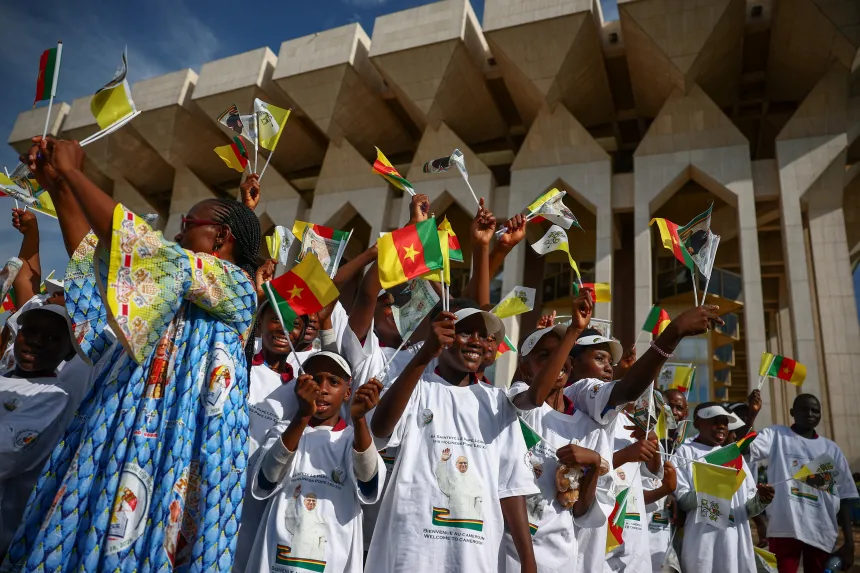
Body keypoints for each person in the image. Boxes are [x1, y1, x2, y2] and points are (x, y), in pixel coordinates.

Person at [4, 136, 261, 572]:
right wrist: (58, 187)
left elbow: (150, 254)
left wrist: (74, 174)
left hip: (176, 462)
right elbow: (96, 261)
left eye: (188, 222)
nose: (179, 232)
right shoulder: (161, 302)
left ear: (220, 237)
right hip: (118, 447)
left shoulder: (236, 288)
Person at [367, 299, 539, 573]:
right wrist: (424, 354)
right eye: (464, 331)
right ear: (440, 333)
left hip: (474, 554)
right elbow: (381, 428)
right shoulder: (417, 385)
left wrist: (528, 561)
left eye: (484, 336)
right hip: (413, 550)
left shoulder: (498, 403)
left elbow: (511, 487)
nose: (476, 342)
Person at [560, 306, 723, 572]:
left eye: (610, 363)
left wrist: (651, 447)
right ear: (572, 363)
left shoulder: (624, 422)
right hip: (591, 548)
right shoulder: (575, 394)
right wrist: (673, 333)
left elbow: (648, 476)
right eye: (599, 358)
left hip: (634, 549)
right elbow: (627, 389)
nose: (608, 368)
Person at [245, 352, 385, 573]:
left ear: (348, 392)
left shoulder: (353, 439)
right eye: (315, 379)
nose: (323, 388)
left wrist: (358, 420)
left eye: (334, 382)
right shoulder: (284, 431)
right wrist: (302, 416)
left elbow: (368, 481)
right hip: (277, 559)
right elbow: (265, 479)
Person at [504, 289, 612, 572]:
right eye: (544, 356)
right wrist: (573, 332)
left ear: (572, 364)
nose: (556, 361)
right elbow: (535, 395)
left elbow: (580, 511)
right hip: (511, 555)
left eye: (562, 354)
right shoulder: (518, 400)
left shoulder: (590, 427)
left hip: (562, 557)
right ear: (526, 372)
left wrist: (594, 464)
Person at [746, 394, 857, 573]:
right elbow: (744, 448)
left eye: (815, 410)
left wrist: (849, 543)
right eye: (804, 409)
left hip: (821, 532)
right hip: (784, 530)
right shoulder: (776, 435)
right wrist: (751, 415)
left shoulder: (831, 449)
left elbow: (845, 497)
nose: (810, 414)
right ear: (792, 412)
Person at [0, 302, 76, 556]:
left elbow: (6, 455)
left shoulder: (53, 397)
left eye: (53, 337)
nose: (37, 342)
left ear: (69, 353)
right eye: (30, 331)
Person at [674, 403, 775, 573]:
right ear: (698, 422)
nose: (721, 426)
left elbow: (747, 509)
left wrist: (762, 500)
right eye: (715, 420)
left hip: (735, 546)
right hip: (702, 547)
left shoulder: (734, 456)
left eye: (725, 422)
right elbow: (683, 501)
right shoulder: (684, 453)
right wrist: (713, 485)